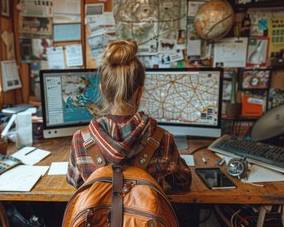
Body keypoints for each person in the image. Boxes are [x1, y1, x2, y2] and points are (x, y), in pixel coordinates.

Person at [66, 39, 192, 191]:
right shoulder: (163, 139)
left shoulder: (81, 139)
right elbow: (183, 182)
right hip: (145, 214)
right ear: (140, 93)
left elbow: (75, 181)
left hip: (97, 215)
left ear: (102, 90)